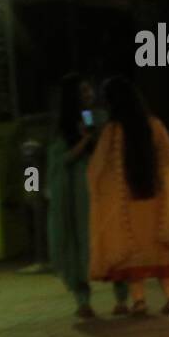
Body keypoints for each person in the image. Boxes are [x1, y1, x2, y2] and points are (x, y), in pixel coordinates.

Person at [87, 76, 169, 315]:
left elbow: (98, 169)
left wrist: (98, 191)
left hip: (127, 203)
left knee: (132, 255)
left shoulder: (113, 131)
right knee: (159, 252)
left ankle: (139, 301)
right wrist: (166, 189)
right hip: (155, 200)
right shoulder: (155, 126)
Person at [46, 73, 127, 317]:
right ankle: (83, 301)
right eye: (83, 92)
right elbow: (58, 162)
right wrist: (84, 140)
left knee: (110, 238)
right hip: (76, 193)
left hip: (103, 188)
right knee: (79, 241)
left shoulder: (104, 119)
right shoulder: (62, 127)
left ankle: (121, 298)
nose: (89, 95)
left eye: (90, 90)